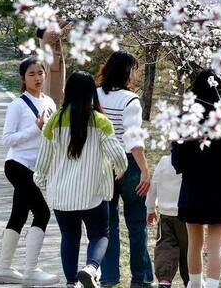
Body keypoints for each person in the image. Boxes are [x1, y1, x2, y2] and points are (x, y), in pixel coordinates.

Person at [34, 71, 128, 288]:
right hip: (93, 193)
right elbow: (118, 155)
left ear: (67, 92)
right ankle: (91, 268)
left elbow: (43, 161)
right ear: (91, 94)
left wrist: (43, 183)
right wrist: (120, 169)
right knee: (100, 234)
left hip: (61, 195)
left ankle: (71, 282)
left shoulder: (54, 121)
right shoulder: (100, 121)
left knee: (69, 237)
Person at [171, 70, 221, 288]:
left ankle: (194, 285)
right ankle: (211, 286)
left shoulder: (183, 119)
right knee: (215, 245)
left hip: (192, 187)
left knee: (194, 243)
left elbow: (177, 161)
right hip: (220, 187)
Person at [0, 57, 58, 287]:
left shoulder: (49, 102)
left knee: (19, 216)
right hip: (18, 165)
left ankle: (4, 269)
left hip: (36, 167)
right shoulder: (18, 105)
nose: (38, 77)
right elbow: (7, 139)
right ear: (23, 78)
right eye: (31, 74)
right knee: (42, 213)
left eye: (40, 73)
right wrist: (35, 128)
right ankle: (31, 271)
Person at [97, 51, 154, 288]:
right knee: (137, 224)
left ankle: (110, 277)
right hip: (129, 163)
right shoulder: (130, 100)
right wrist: (145, 170)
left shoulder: (96, 95)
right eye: (134, 70)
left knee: (108, 224)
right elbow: (133, 139)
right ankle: (140, 278)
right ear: (128, 72)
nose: (136, 75)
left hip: (103, 164)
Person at [146, 153, 189, 288]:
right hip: (187, 215)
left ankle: (164, 280)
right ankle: (192, 280)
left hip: (166, 215)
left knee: (165, 246)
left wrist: (150, 209)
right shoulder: (194, 160)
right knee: (189, 249)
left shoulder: (164, 161)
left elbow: (153, 186)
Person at [37, 21, 71, 106]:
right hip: (52, 66)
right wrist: (69, 25)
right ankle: (52, 110)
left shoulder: (45, 31)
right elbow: (59, 33)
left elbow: (59, 29)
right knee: (52, 91)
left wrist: (66, 22)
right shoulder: (47, 34)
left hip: (53, 64)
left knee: (56, 90)